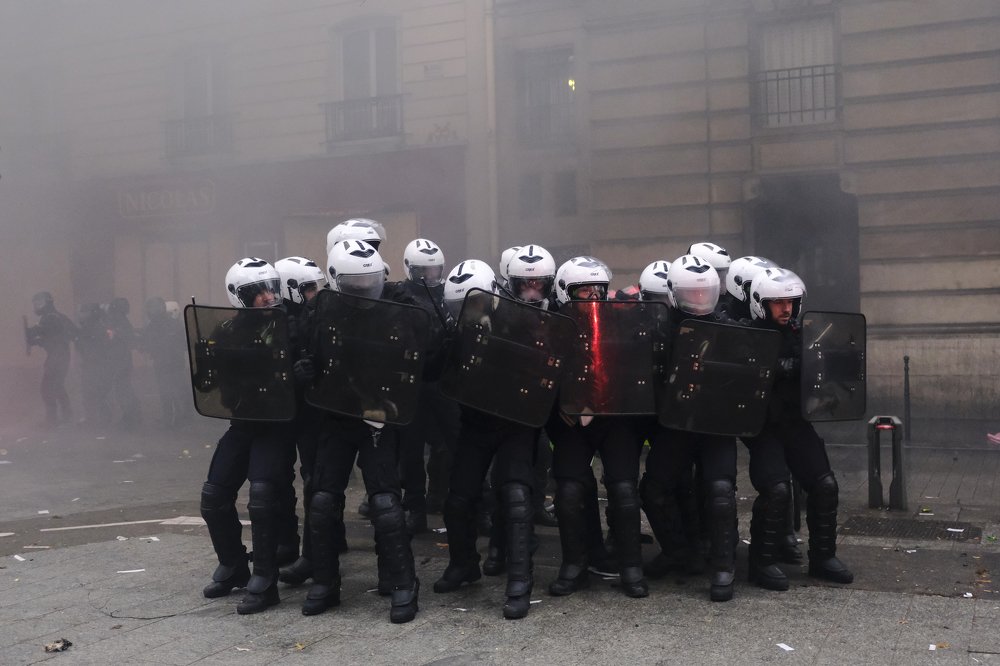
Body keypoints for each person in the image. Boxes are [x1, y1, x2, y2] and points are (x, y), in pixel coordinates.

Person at [433, 245, 558, 619]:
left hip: (517, 422)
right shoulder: (458, 328)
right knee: (458, 497)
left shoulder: (524, 321)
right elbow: (439, 371)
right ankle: (463, 564)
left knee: (517, 496)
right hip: (476, 421)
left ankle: (520, 580)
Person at [301, 240, 420, 623]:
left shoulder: (395, 308)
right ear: (336, 281)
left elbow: (423, 347)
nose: (364, 289)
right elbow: (308, 350)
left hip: (376, 414)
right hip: (336, 414)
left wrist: (408, 304)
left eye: (370, 281)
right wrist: (304, 368)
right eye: (356, 283)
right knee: (321, 500)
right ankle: (324, 582)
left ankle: (401, 582)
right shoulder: (321, 310)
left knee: (385, 502)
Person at [197, 258, 303, 615]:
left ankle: (265, 579)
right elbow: (208, 385)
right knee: (214, 494)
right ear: (237, 296)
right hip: (243, 422)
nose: (266, 296)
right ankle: (232, 565)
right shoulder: (226, 330)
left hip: (276, 424)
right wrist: (204, 359)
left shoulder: (290, 326)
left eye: (270, 287)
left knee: (262, 495)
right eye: (255, 292)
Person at [743, 268, 854, 591]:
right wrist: (781, 368)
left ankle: (822, 557)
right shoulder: (748, 335)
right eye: (777, 303)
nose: (786, 309)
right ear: (760, 304)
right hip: (762, 428)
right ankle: (761, 563)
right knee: (776, 490)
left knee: (825, 485)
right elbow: (746, 372)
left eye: (790, 302)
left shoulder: (805, 335)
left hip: (796, 423)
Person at [545, 257, 649, 599]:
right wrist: (563, 402)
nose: (593, 295)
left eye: (598, 289)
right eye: (584, 289)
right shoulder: (552, 326)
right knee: (570, 492)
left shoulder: (619, 321)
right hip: (573, 420)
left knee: (623, 490)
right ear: (565, 291)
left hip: (614, 416)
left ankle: (631, 565)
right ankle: (575, 565)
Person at [639, 254, 740, 601]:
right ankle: (678, 551)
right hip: (677, 423)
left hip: (715, 424)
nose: (699, 299)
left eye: (704, 292)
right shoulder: (661, 328)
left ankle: (724, 566)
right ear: (675, 293)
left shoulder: (728, 325)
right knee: (654, 488)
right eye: (691, 293)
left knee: (720, 490)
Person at [272, 256, 333, 587]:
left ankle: (317, 551)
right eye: (308, 287)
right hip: (284, 410)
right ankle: (286, 542)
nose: (314, 293)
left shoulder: (320, 317)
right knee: (278, 478)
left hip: (313, 410)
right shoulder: (271, 321)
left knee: (316, 482)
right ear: (290, 288)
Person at [394, 238, 460, 531]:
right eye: (424, 271)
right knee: (411, 449)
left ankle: (449, 498)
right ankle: (415, 508)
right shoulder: (399, 294)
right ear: (411, 269)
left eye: (434, 270)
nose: (430, 277)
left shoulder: (448, 293)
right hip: (411, 381)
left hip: (441, 380)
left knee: (452, 443)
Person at [26, 291, 76, 427]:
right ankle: (67, 416)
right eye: (34, 303)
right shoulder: (59, 317)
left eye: (38, 303)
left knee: (47, 389)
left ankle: (52, 420)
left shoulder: (49, 317)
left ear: (46, 303)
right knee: (57, 386)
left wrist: (33, 337)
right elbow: (69, 333)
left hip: (57, 357)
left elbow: (42, 333)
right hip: (60, 356)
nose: (36, 306)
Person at [139, 297, 187, 429]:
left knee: (172, 392)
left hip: (170, 364)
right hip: (166, 363)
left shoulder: (166, 325)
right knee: (168, 392)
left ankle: (177, 418)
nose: (150, 311)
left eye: (152, 308)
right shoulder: (167, 324)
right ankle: (174, 418)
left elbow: (182, 343)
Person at [105, 297, 141, 429]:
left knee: (123, 389)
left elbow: (123, 339)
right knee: (124, 388)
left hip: (121, 361)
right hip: (122, 360)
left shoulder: (119, 321)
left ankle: (130, 417)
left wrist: (114, 334)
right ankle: (133, 415)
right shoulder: (121, 321)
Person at [75, 302, 113, 427]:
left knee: (96, 392)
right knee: (88, 392)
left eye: (84, 312)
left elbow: (99, 346)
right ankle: (93, 418)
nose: (81, 314)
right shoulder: (89, 326)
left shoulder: (96, 327)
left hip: (97, 365)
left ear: (93, 313)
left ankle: (101, 419)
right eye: (81, 311)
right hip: (90, 364)